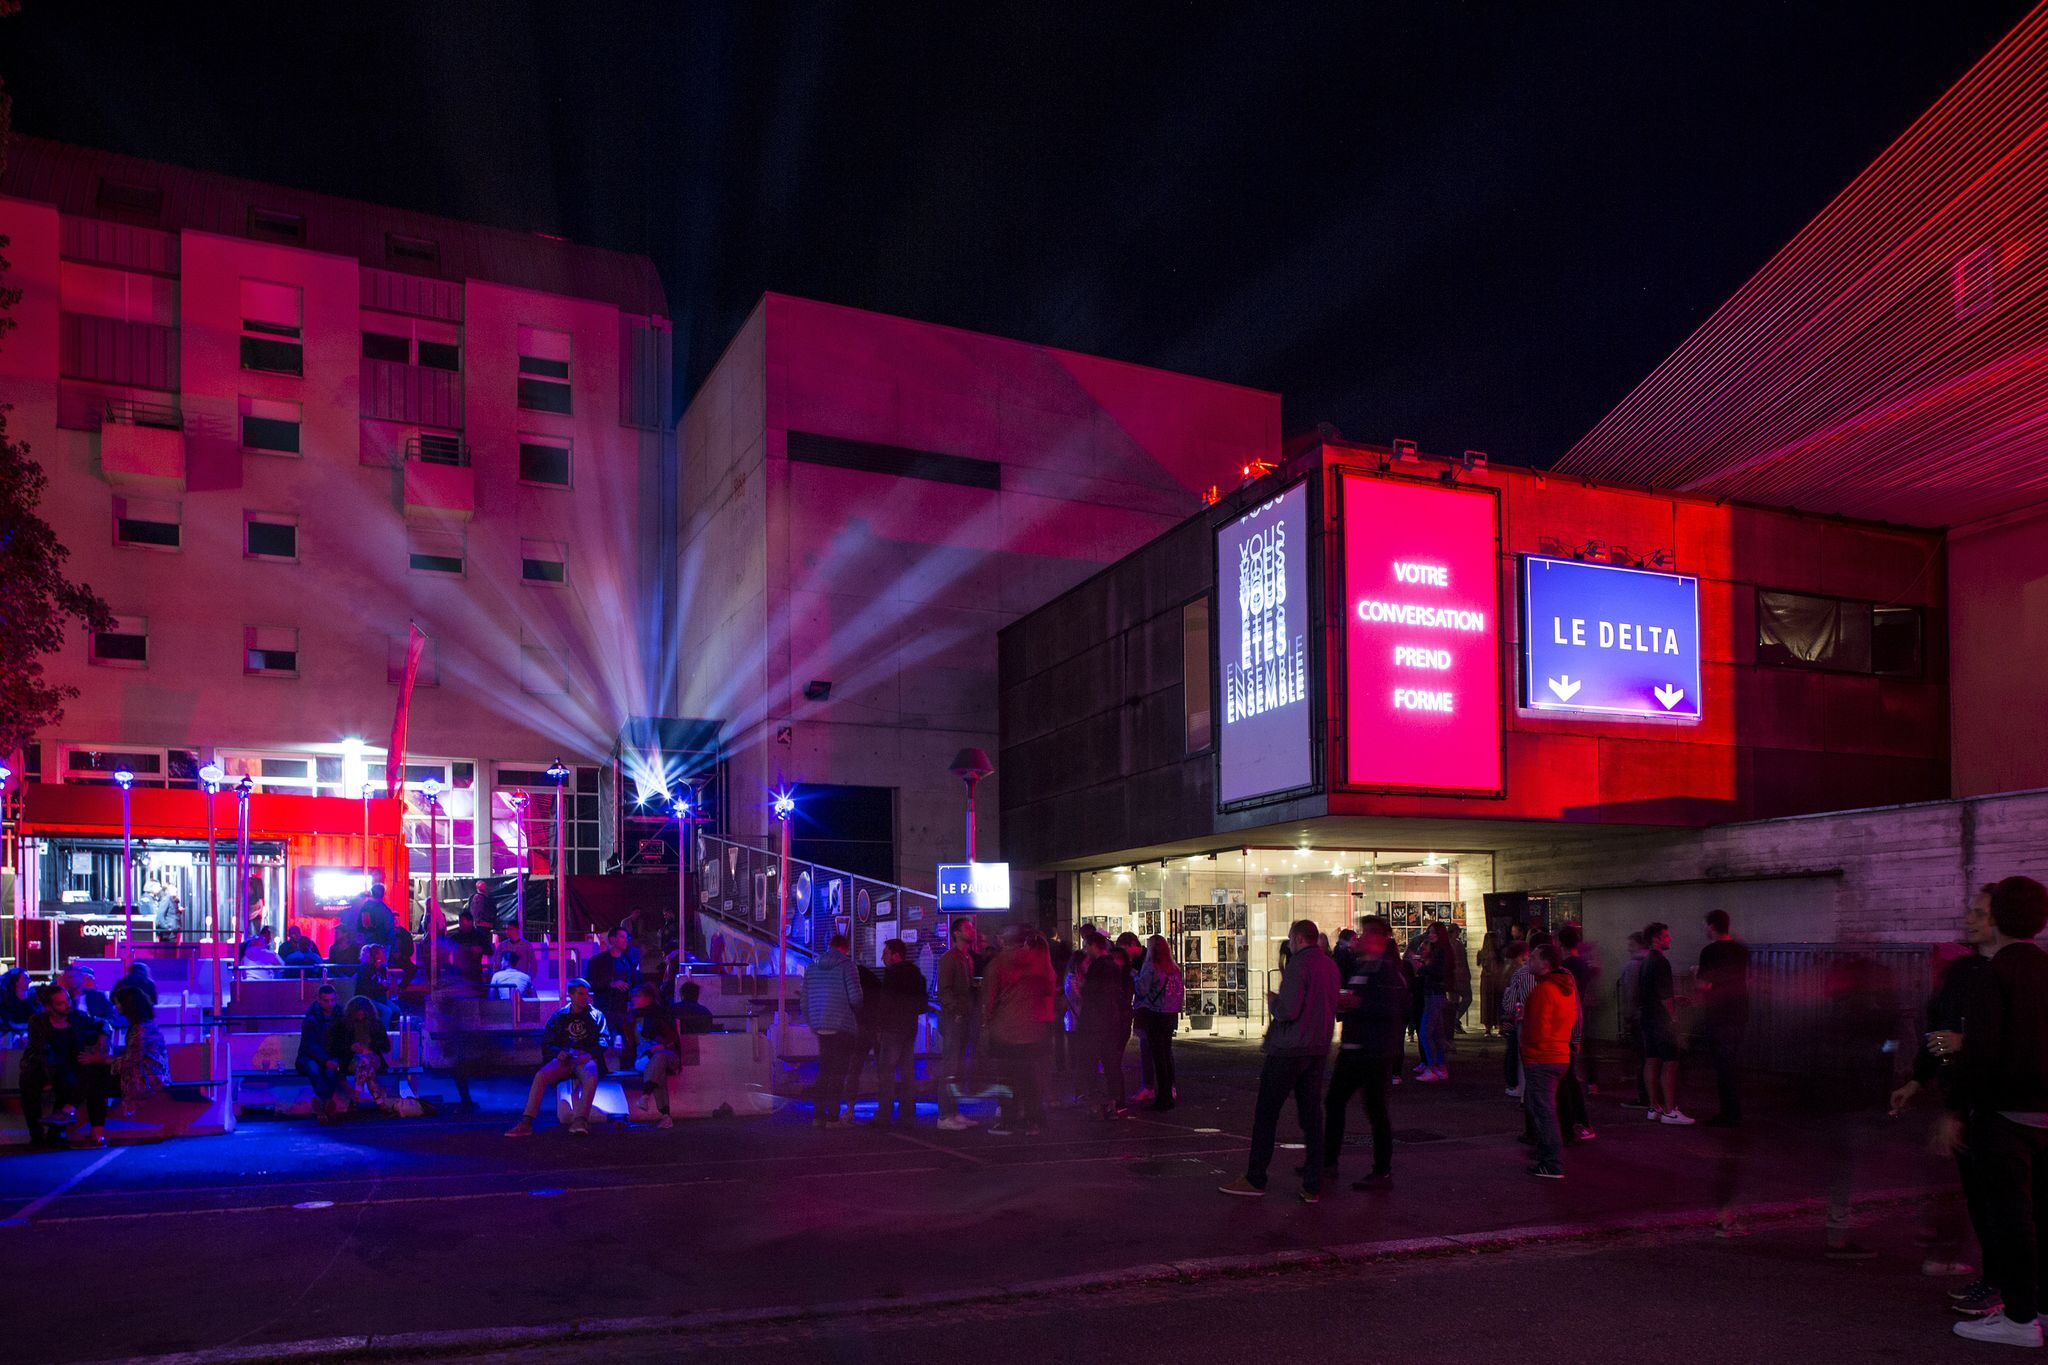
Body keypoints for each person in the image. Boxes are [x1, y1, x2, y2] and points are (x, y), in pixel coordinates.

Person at [1943, 876, 2048, 1348]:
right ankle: (2041, 1307)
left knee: (2011, 1219)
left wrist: (1957, 1109)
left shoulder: (1994, 975)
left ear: (2000, 918)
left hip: (2002, 1116)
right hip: (2044, 1113)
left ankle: (2021, 1319)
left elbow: (1981, 1053)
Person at [1893, 891, 1999, 1305]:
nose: (1968, 918)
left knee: (2004, 1199)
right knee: (1980, 1195)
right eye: (1971, 910)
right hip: (1969, 1099)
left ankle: (2013, 1289)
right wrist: (1920, 1079)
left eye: (1980, 913)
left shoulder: (2010, 972)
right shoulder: (1964, 971)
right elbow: (1938, 1031)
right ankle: (1997, 1278)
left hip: (2001, 1103)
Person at [1220, 919, 1340, 1202]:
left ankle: (1255, 1177)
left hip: (1288, 1049)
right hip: (1317, 1047)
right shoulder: (1330, 966)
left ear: (1298, 939)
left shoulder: (1299, 965)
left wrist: (1273, 1001)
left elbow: (1288, 1010)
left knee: (1266, 1113)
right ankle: (1313, 1183)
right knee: (1311, 1116)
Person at [1325, 915, 1408, 1190]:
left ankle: (1381, 1170)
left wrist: (1356, 1004)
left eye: (1366, 933)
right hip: (1355, 1049)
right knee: (1338, 1103)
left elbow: (1393, 1012)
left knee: (1374, 1109)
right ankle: (1329, 1162)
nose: (1359, 938)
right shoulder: (1363, 968)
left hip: (1372, 1052)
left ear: (1380, 939)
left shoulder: (1387, 973)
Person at [506, 979, 608, 1137]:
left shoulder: (596, 1016)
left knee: (590, 1077)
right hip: (566, 1057)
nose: (584, 998)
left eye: (587, 994)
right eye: (580, 994)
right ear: (571, 995)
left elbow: (604, 1040)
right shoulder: (559, 1017)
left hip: (586, 1057)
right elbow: (547, 1043)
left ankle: (580, 1120)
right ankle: (526, 1122)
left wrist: (589, 1054)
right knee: (541, 1076)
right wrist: (558, 1053)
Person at [981, 925, 1057, 1135]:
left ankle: (1008, 1120)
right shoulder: (1038, 962)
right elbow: (1049, 990)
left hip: (1005, 1031)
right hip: (1033, 1030)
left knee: (1007, 1079)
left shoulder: (997, 965)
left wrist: (986, 1024)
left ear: (1004, 941)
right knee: (1031, 1079)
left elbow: (990, 1000)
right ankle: (1034, 1122)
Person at [22, 984, 113, 1147]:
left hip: (70, 1065)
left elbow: (102, 1023)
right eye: (61, 1003)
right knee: (31, 1083)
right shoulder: (38, 1022)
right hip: (43, 1065)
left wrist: (104, 1034)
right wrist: (50, 1078)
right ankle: (37, 1136)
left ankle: (57, 1132)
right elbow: (42, 1052)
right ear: (49, 1007)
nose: (67, 1005)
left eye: (68, 1000)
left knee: (84, 1075)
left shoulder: (77, 1017)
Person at [1521, 943, 1578, 1179]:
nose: (1529, 961)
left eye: (1533, 958)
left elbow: (1535, 1028)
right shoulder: (1565, 989)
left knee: (1543, 1111)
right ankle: (1548, 1157)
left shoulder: (1543, 991)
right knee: (1546, 1109)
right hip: (1559, 1053)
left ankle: (1551, 1162)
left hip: (1542, 1057)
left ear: (1545, 964)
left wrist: (1528, 1054)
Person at [802, 933, 864, 1128]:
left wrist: (813, 1022)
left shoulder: (811, 967)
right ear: (844, 948)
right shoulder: (847, 965)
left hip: (820, 1025)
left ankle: (818, 1116)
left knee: (824, 1071)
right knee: (839, 1072)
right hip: (842, 1025)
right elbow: (855, 998)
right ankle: (833, 1117)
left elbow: (804, 1001)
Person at [1695, 909, 1751, 1128]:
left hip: (1719, 1015)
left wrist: (1695, 974)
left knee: (1723, 1067)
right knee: (1732, 1064)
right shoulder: (1742, 951)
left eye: (1705, 926)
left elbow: (1704, 985)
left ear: (1711, 926)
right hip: (1740, 1012)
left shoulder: (1709, 952)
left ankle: (1730, 1114)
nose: (1704, 930)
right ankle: (1733, 1111)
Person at [1639, 922, 1693, 1125]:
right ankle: (1670, 1111)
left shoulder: (1646, 961)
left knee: (1651, 1060)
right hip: (1661, 1021)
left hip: (1648, 1019)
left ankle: (1654, 1107)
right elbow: (1663, 996)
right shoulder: (1661, 962)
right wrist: (1673, 1015)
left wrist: (1674, 997)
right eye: (1666, 936)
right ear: (1656, 939)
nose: (1670, 939)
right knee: (1670, 1062)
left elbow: (1652, 992)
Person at [873, 938, 927, 1125]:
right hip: (909, 1028)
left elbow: (885, 1004)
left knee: (886, 1072)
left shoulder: (892, 975)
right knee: (907, 1073)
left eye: (886, 953)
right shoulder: (915, 974)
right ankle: (907, 1115)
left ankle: (884, 1114)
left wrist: (880, 1026)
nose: (883, 957)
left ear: (895, 955)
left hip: (892, 1028)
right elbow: (922, 1005)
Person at [1077, 931, 1131, 1118]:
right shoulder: (1114, 967)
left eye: (1086, 946)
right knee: (1112, 1065)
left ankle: (1097, 1102)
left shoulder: (1098, 967)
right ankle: (1117, 1102)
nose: (1085, 950)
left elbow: (1090, 994)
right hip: (1111, 1022)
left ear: (1094, 946)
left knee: (1091, 1064)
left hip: (1096, 1024)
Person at [936, 917, 981, 1131]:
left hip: (963, 1018)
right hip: (955, 1019)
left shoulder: (966, 959)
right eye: (967, 928)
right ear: (956, 933)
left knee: (958, 1066)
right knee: (951, 1066)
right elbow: (944, 990)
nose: (971, 931)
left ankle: (953, 1112)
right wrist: (955, 1011)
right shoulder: (950, 959)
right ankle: (945, 1115)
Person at [1133, 936, 1185, 1113]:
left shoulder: (1152, 968)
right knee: (1166, 1054)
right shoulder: (1174, 969)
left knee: (1158, 1056)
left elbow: (1142, 989)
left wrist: (1133, 975)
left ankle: (1163, 1097)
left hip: (1156, 1014)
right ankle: (1169, 1092)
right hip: (1170, 1015)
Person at [1554, 924, 1595, 1142]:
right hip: (1576, 1020)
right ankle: (1578, 1122)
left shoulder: (1566, 968)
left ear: (1560, 943)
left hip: (1567, 1023)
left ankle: (1579, 1122)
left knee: (1568, 1077)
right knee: (1569, 1074)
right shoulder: (1581, 965)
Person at [628, 982, 682, 1127]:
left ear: (649, 998)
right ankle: (665, 1115)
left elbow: (673, 1039)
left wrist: (662, 1045)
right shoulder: (631, 1018)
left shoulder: (660, 1014)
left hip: (668, 1054)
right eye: (633, 996)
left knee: (660, 1057)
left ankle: (646, 1096)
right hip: (644, 1058)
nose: (634, 999)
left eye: (638, 996)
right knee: (658, 1068)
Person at [111, 985, 169, 1113]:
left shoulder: (140, 1030)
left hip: (146, 1079)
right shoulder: (146, 1024)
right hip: (153, 1075)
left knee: (95, 1080)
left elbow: (130, 1060)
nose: (116, 1007)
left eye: (118, 1003)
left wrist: (102, 1059)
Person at [334, 994, 392, 1109]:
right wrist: (351, 1048)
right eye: (357, 1014)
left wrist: (369, 1049)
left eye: (362, 1014)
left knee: (365, 1060)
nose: (360, 1016)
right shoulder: (344, 1026)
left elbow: (386, 1047)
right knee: (367, 1069)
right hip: (354, 1061)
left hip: (373, 1058)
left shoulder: (376, 1025)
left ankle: (356, 1096)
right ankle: (380, 1102)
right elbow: (337, 1047)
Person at [297, 985, 345, 1122]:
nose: (330, 1004)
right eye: (326, 1001)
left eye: (332, 1000)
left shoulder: (340, 1015)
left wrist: (333, 1059)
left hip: (331, 1055)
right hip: (309, 1056)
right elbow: (310, 1045)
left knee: (331, 1071)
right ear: (319, 1000)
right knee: (314, 1069)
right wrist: (325, 1060)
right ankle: (327, 1103)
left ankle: (322, 1106)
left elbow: (342, 1040)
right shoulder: (311, 1018)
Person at [1413, 922, 1454, 1081]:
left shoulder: (1441, 952)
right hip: (1435, 994)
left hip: (1434, 994)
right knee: (1437, 1034)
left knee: (1424, 1033)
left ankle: (1431, 1067)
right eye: (1429, 932)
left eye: (1433, 932)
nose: (1430, 935)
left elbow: (1436, 972)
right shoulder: (1442, 951)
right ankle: (1441, 1067)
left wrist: (1421, 967)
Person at [587, 928, 641, 1047]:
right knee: (605, 1042)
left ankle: (626, 1064)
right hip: (606, 1007)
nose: (625, 940)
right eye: (622, 937)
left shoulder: (628, 960)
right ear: (612, 939)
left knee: (628, 1042)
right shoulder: (598, 961)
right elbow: (589, 983)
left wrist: (632, 1001)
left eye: (626, 937)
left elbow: (634, 982)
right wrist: (610, 984)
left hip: (624, 1008)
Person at [1618, 932, 1651, 1108]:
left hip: (1638, 1017)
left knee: (1641, 1059)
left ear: (1638, 944)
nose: (1628, 947)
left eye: (1631, 944)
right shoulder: (1651, 962)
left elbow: (1630, 994)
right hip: (1650, 1017)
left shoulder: (1633, 965)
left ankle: (1643, 1097)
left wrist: (1628, 1016)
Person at [1499, 941, 1532, 1097]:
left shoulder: (1509, 970)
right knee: (1515, 1049)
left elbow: (1507, 997)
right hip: (1516, 1015)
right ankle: (1515, 1082)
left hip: (1509, 1014)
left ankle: (1513, 1082)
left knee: (1511, 1048)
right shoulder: (1521, 972)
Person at [353, 944, 394, 1021]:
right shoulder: (366, 968)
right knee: (387, 1011)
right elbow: (366, 989)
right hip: (366, 998)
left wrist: (386, 986)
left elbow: (383, 988)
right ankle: (382, 1032)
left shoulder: (382, 968)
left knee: (396, 1011)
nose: (385, 954)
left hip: (377, 997)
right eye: (382, 953)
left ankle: (390, 1030)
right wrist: (381, 986)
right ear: (376, 955)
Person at [1477, 931, 1506, 1036]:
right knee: (1498, 1003)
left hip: (1486, 980)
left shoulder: (1482, 953)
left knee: (1486, 1004)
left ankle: (1487, 1028)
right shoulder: (1499, 953)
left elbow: (1478, 963)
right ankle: (1500, 1028)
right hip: (1497, 979)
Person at [357, 882, 397, 950]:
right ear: (383, 893)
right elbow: (390, 928)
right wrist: (394, 946)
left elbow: (364, 925)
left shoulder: (366, 907)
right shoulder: (385, 909)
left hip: (368, 942)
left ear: (372, 893)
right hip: (383, 943)